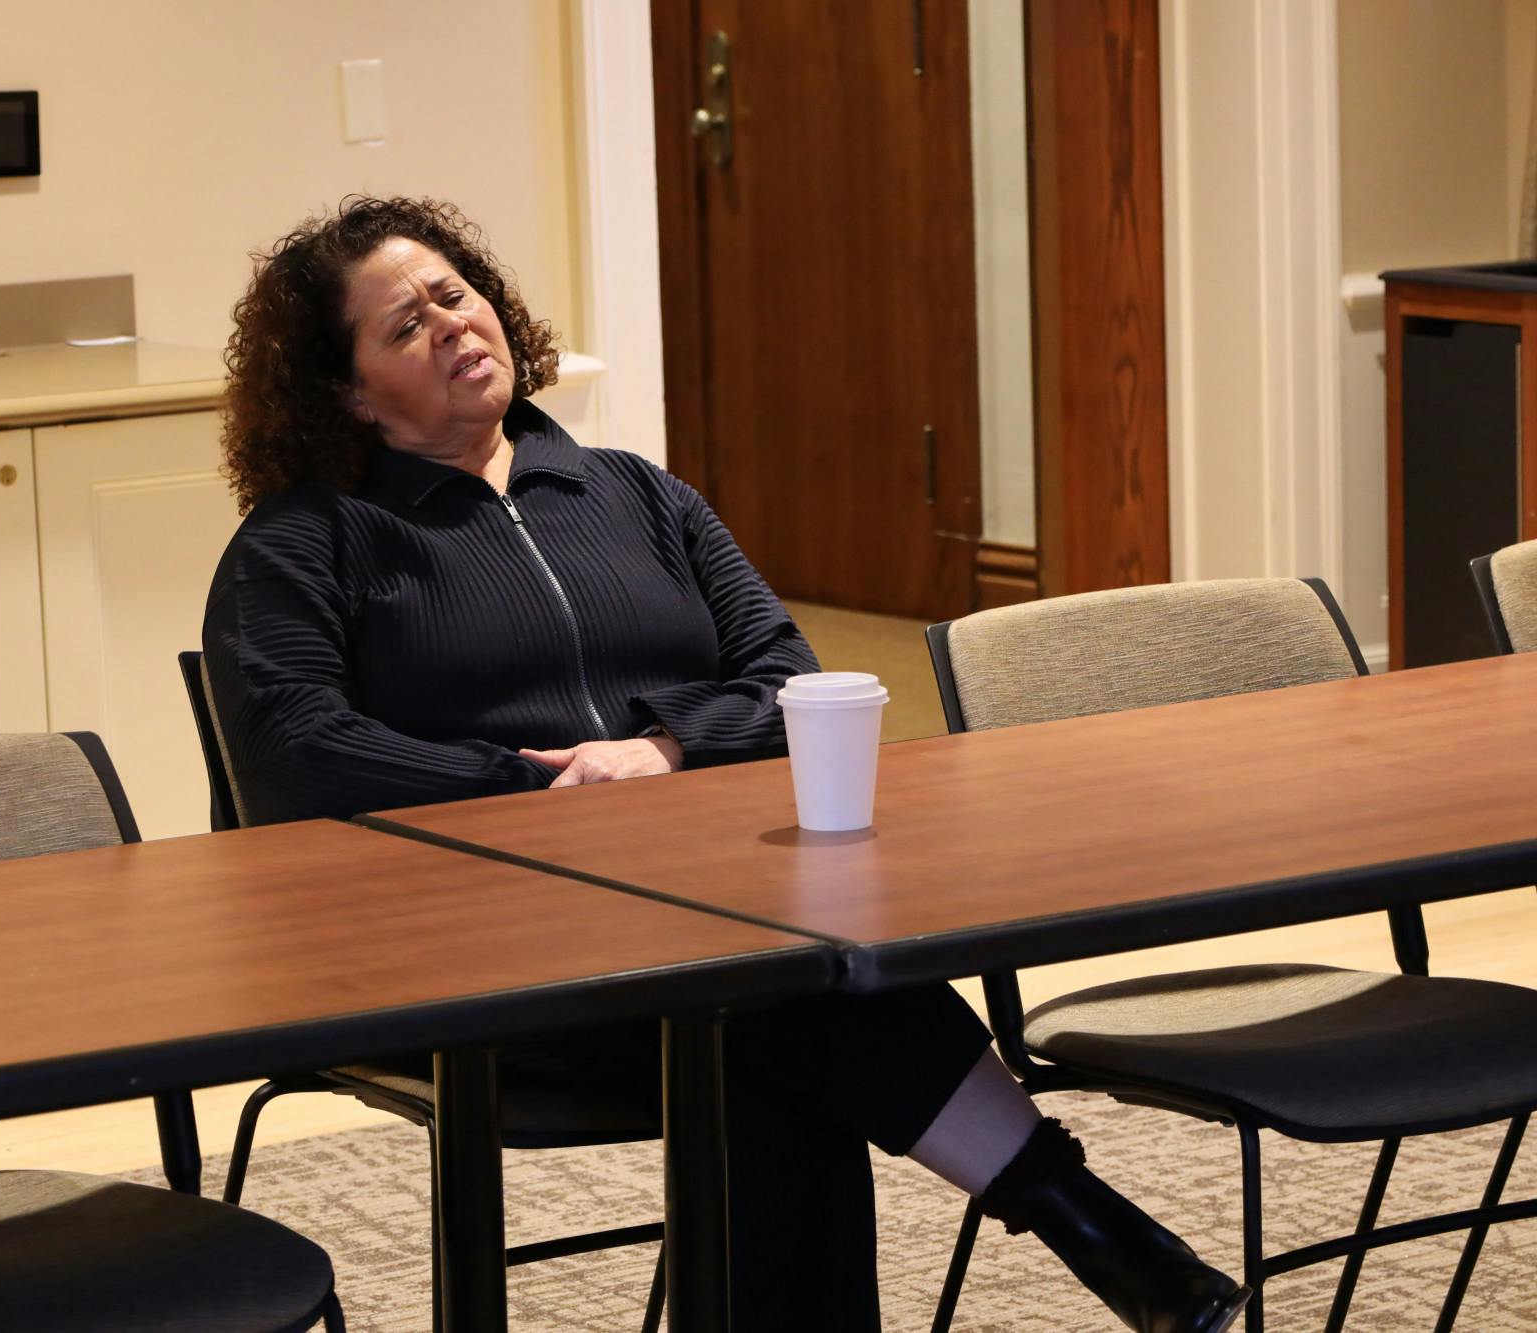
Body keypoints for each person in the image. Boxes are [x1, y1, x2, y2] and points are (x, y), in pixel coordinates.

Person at [202, 196, 1248, 1332]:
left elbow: (784, 677)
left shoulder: (638, 496)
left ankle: (1079, 1220)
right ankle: (1079, 1214)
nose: (453, 326)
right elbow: (295, 750)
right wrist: (535, 787)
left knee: (775, 997)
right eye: (404, 326)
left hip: (704, 928)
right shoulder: (304, 543)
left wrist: (655, 749)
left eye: (454, 295)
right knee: (781, 991)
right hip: (469, 966)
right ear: (346, 392)